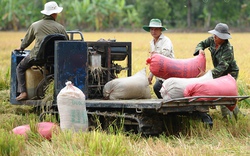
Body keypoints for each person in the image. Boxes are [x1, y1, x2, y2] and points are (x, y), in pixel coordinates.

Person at [15, 1, 69, 101]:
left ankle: (23, 92)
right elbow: (67, 43)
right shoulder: (60, 28)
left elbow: (27, 40)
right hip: (55, 59)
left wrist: (21, 47)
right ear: (54, 14)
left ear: (45, 13)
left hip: (37, 57)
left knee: (20, 67)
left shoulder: (35, 25)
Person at [193, 23, 240, 119]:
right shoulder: (212, 40)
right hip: (219, 72)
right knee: (226, 96)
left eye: (217, 36)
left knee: (223, 94)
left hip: (230, 73)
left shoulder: (228, 49)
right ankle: (237, 115)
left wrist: (206, 75)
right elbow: (201, 44)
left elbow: (221, 68)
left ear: (223, 38)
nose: (214, 37)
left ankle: (227, 118)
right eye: (215, 34)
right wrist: (200, 50)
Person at [143, 18, 175, 98]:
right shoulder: (152, 43)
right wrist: (151, 75)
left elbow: (166, 53)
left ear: (160, 30)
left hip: (169, 71)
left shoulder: (166, 41)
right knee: (158, 89)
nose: (153, 31)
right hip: (160, 73)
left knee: (158, 88)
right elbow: (155, 62)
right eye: (152, 29)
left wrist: (156, 54)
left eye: (156, 29)